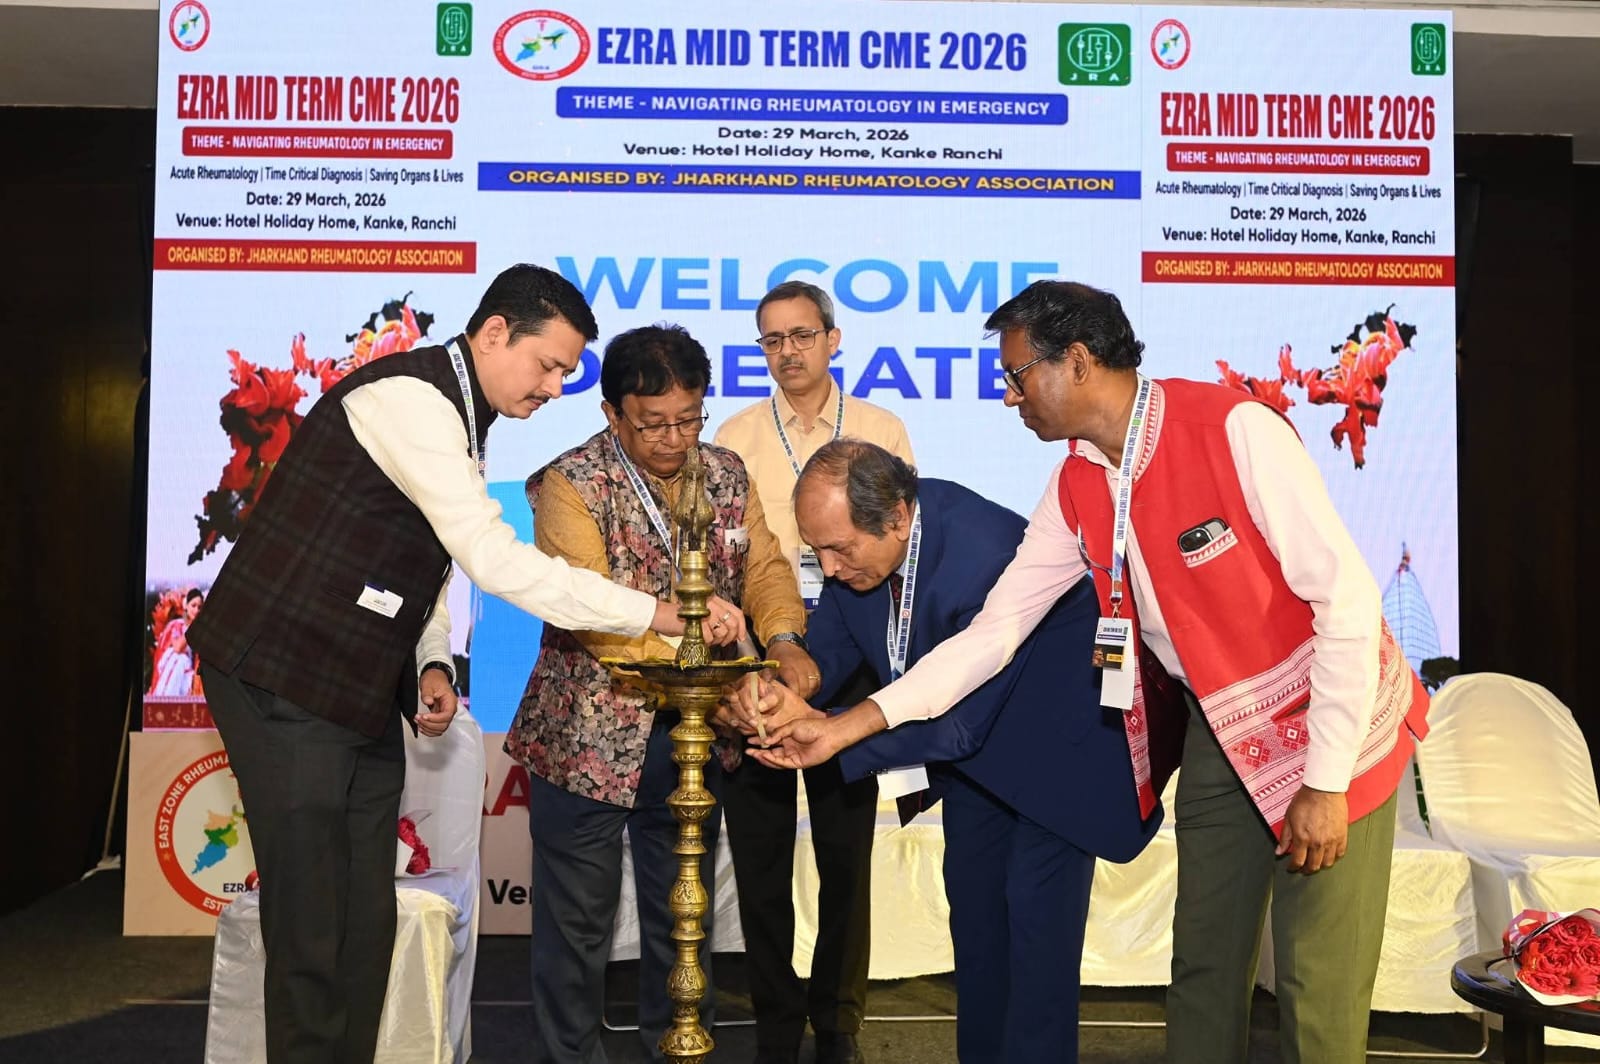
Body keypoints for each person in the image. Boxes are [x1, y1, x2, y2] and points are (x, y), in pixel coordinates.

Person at [750, 281, 1432, 1064]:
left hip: (1336, 723)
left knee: (1315, 983)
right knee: (1204, 967)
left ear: (1075, 361)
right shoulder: (1077, 481)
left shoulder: (1234, 428)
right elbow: (991, 636)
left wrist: (1327, 780)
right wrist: (845, 726)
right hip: (1223, 729)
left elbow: (1346, 601)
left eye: (1017, 376)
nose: (1009, 397)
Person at [189, 265, 710, 1064]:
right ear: (495, 332)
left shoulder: (461, 410)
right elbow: (489, 558)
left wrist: (431, 659)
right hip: (280, 673)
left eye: (567, 372)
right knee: (312, 918)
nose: (555, 387)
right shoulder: (411, 399)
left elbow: (419, 556)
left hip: (359, 682)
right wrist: (655, 612)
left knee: (365, 916)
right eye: (549, 365)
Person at [733, 439, 1158, 1063]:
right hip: (973, 769)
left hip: (1053, 761)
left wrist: (833, 734)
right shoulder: (859, 556)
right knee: (977, 928)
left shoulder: (983, 555)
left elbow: (960, 722)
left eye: (839, 549)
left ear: (898, 517)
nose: (828, 568)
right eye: (816, 549)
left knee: (1036, 937)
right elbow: (831, 653)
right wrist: (782, 692)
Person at [504, 323, 816, 1064]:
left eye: (689, 418)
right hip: (585, 738)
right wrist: (703, 655)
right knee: (576, 930)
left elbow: (765, 567)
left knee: (685, 918)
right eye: (652, 424)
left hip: (694, 740)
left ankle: (678, 1049)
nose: (675, 439)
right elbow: (589, 613)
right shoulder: (571, 484)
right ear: (613, 413)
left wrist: (782, 640)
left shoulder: (726, 472)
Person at [712, 281, 915, 1064]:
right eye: (772, 339)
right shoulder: (735, 436)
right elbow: (728, 561)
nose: (787, 351)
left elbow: (899, 553)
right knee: (760, 860)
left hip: (852, 658)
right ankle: (774, 1021)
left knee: (844, 860)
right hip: (760, 664)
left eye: (802, 335)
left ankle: (838, 1022)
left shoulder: (879, 429)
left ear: (834, 340)